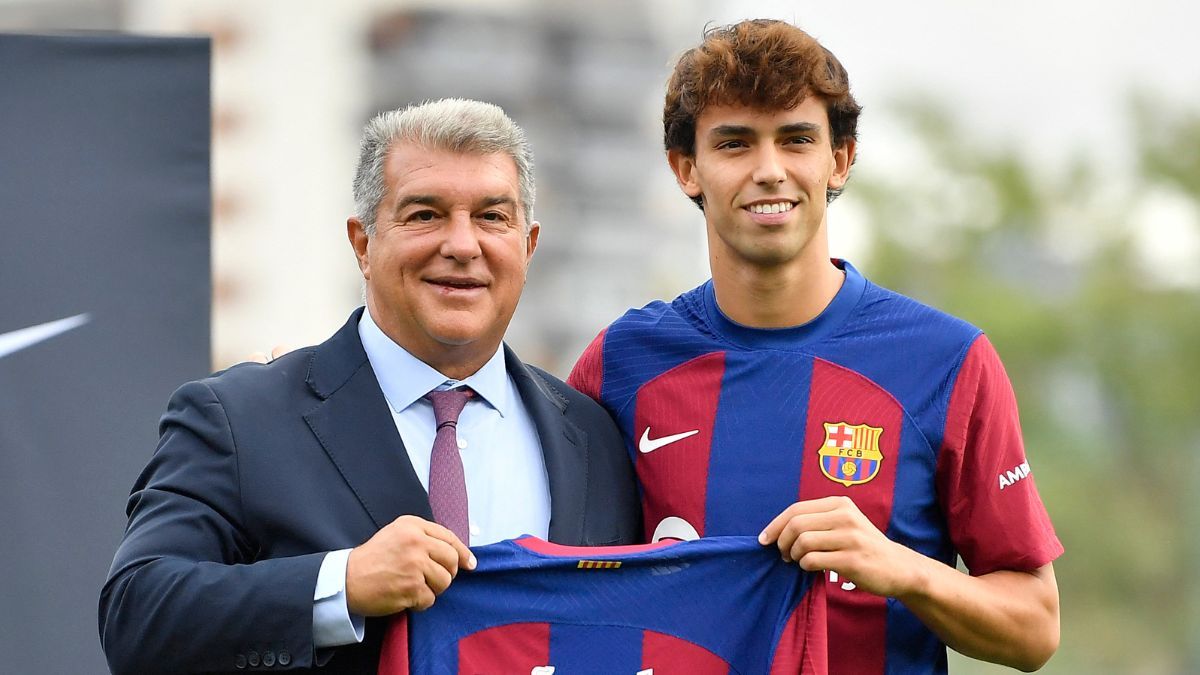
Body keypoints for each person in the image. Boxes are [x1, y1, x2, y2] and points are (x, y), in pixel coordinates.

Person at [568, 19, 1062, 673]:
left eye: (795, 139)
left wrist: (904, 570)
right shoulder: (621, 363)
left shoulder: (948, 361)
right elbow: (556, 582)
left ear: (839, 159)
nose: (769, 170)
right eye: (736, 143)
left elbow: (1034, 628)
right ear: (687, 168)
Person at [99, 98, 641, 675]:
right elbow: (139, 615)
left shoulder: (597, 436)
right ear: (362, 243)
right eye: (425, 214)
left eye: (491, 217)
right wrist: (341, 584)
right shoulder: (239, 417)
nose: (462, 245)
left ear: (528, 244)